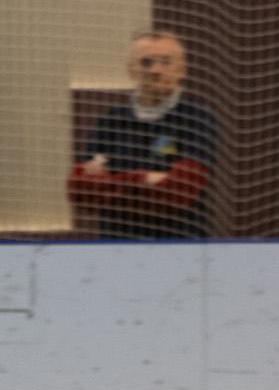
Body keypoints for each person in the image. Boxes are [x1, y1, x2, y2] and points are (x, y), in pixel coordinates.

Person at [66, 31, 218, 239]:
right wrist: (147, 179)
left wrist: (112, 183)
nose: (156, 70)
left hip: (180, 245)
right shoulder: (110, 121)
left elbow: (178, 192)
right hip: (116, 246)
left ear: (182, 70)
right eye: (146, 62)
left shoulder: (196, 120)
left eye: (166, 62)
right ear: (131, 70)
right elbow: (82, 192)